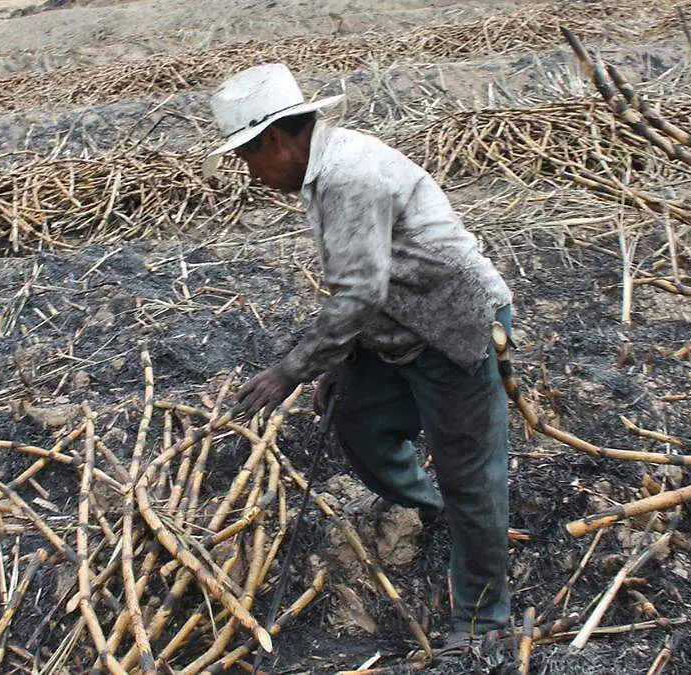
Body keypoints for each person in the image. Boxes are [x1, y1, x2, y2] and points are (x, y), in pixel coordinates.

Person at [208, 63, 514, 652]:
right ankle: (429, 507)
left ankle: (483, 620)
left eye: (249, 159)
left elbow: (358, 294)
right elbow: (366, 283)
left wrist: (291, 371)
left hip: (457, 326)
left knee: (472, 475)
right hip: (400, 324)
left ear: (275, 141)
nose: (252, 174)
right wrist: (342, 360)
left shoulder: (349, 174)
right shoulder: (323, 170)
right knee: (358, 420)